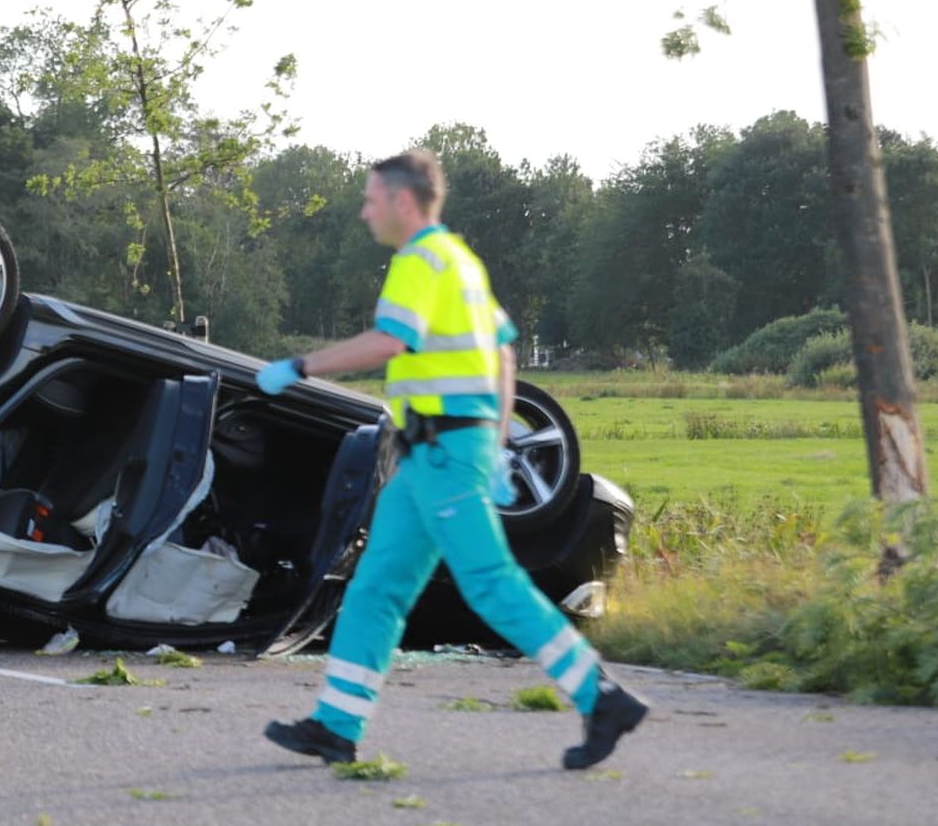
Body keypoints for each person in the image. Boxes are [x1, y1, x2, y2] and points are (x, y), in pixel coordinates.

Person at [255, 149, 647, 771]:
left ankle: (601, 697)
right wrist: (493, 440)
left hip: (442, 453)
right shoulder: (460, 262)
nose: (364, 211)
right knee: (377, 586)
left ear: (403, 202)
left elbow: (391, 341)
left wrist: (299, 367)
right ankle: (336, 724)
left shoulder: (417, 262)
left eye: (371, 199)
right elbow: (503, 353)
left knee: (490, 583)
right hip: (432, 456)